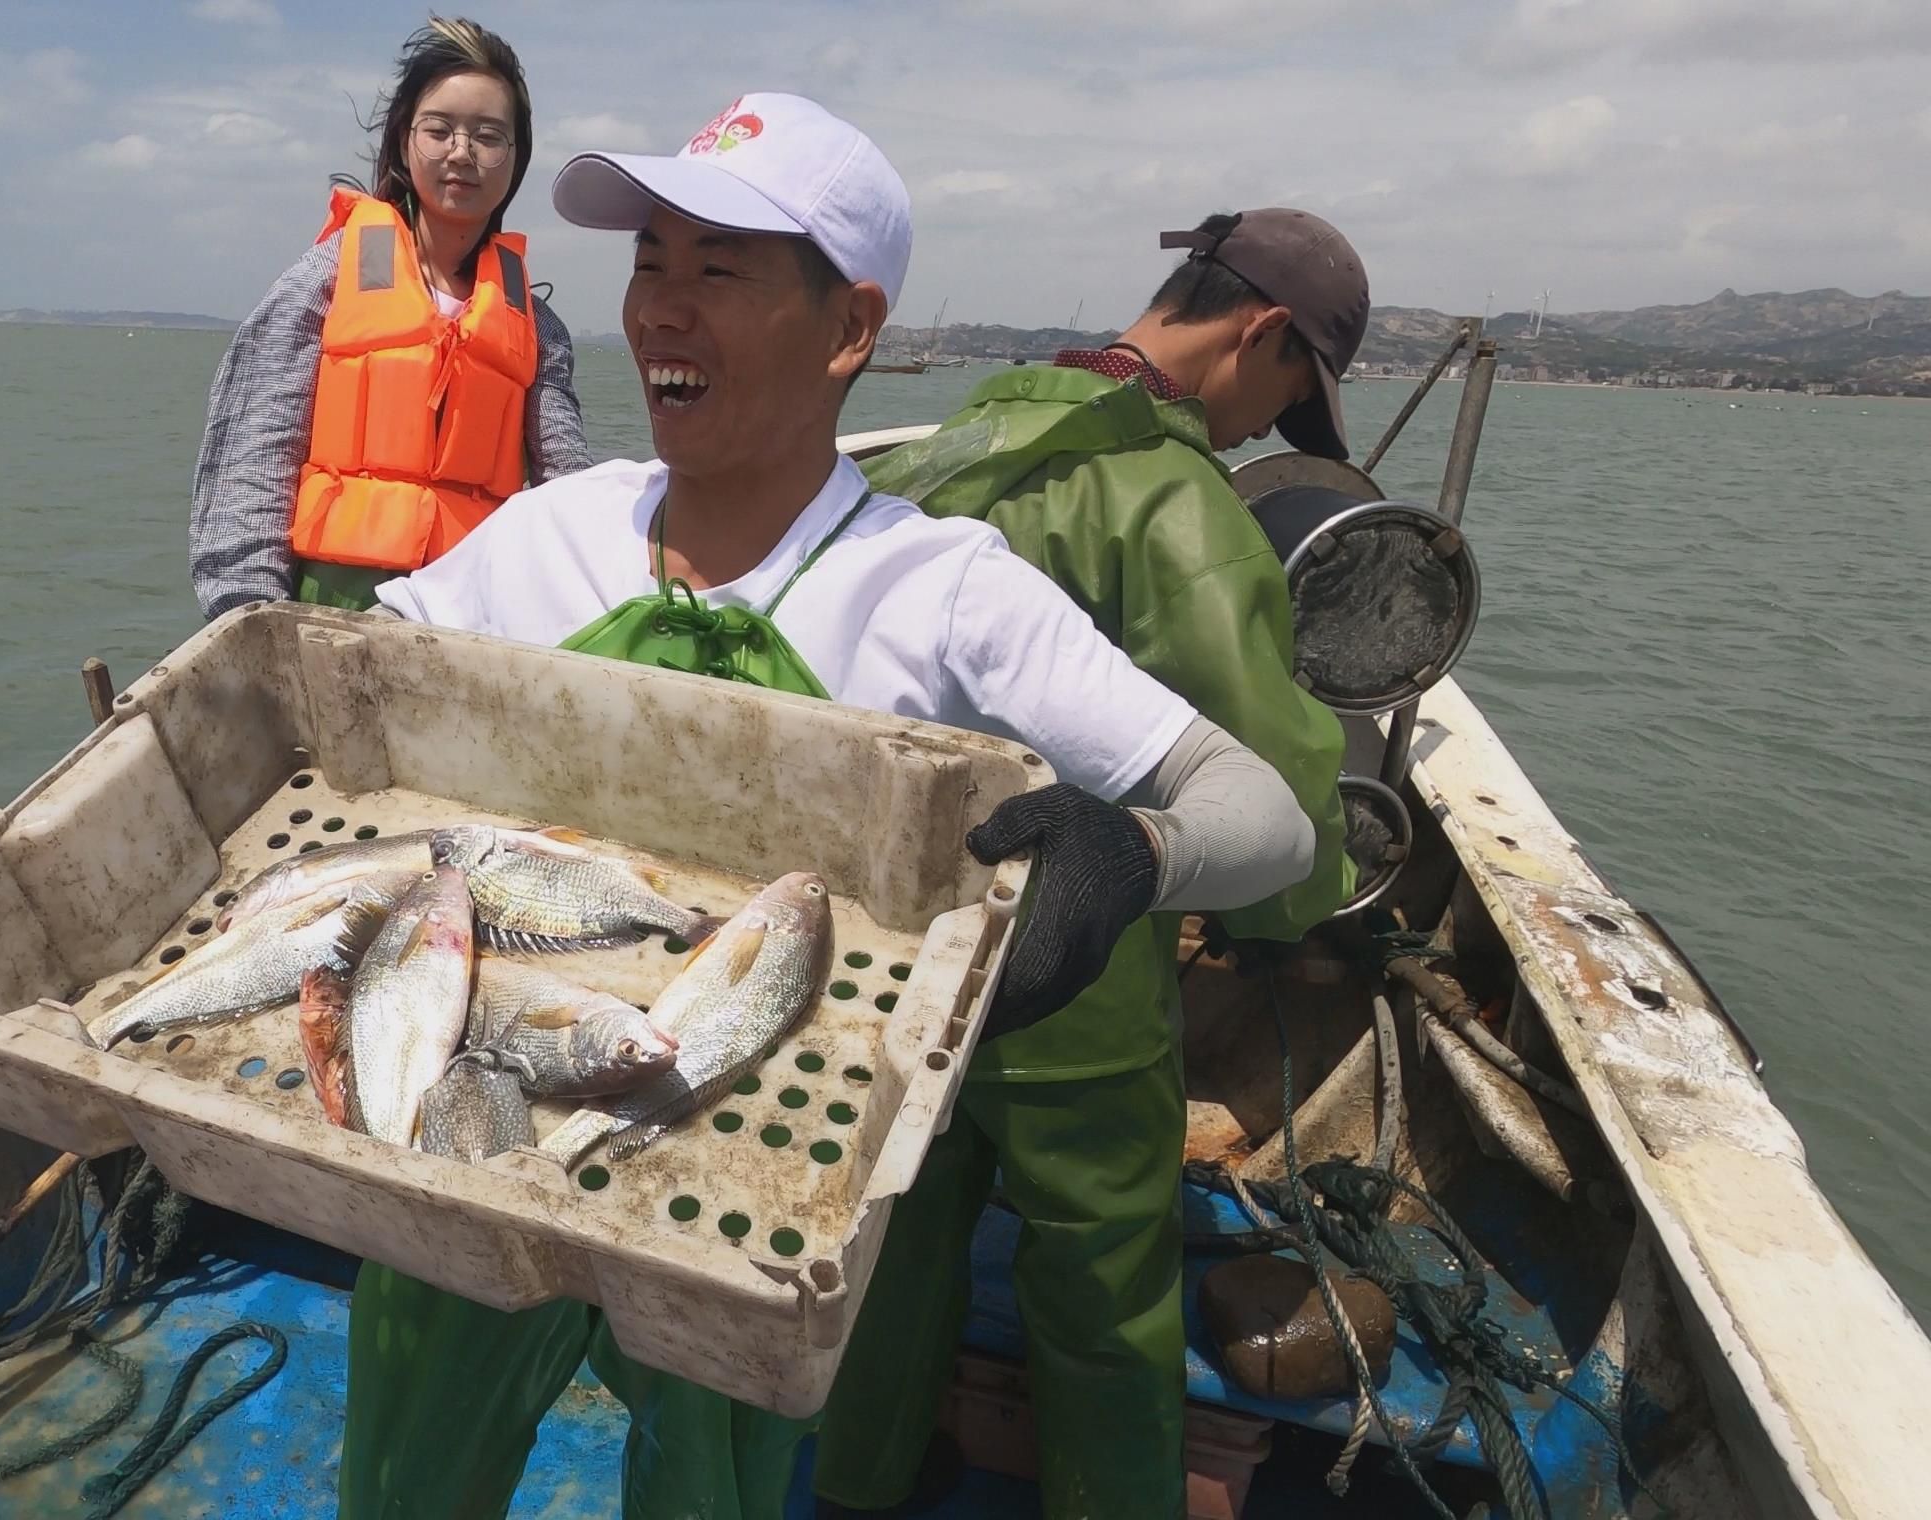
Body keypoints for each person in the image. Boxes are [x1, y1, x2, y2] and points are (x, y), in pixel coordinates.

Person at [340, 95, 1320, 1520]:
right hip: (482, 1113)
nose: (661, 310)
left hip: (753, 1172)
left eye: (718, 270)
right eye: (648, 263)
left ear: (849, 328)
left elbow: (1268, 812)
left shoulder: (943, 588)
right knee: (407, 1474)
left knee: (715, 1487)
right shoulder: (548, 536)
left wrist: (1136, 850)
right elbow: (339, 695)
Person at [812, 209, 1372, 1519]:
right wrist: (1303, 910)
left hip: (909, 943)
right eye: (1286, 395)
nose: (1260, 432)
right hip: (1082, 973)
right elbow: (1279, 794)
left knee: (897, 1233)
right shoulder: (1182, 509)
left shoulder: (950, 450)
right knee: (1104, 1279)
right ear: (1263, 333)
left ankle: (855, 1478)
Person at [188, 16, 591, 619]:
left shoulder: (537, 326)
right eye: (440, 130)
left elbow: (567, 489)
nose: (462, 152)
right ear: (406, 138)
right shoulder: (324, 278)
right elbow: (254, 455)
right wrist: (248, 613)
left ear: (515, 158)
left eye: (488, 136)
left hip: (469, 616)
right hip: (328, 612)